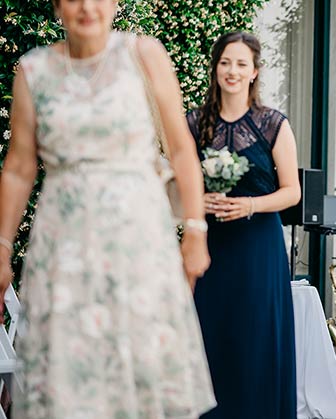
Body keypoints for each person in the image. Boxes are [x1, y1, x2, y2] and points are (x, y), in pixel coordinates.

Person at [0, 0, 216, 417]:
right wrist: (2, 245)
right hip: (64, 245)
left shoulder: (144, 55)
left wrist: (195, 231)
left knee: (139, 366)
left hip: (137, 241)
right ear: (58, 6)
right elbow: (19, 168)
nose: (86, 7)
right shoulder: (33, 70)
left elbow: (182, 149)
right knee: (70, 371)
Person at [186, 31, 300, 419]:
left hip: (258, 249)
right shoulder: (193, 124)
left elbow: (292, 192)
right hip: (209, 248)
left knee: (256, 340)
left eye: (241, 64)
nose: (232, 71)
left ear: (254, 72)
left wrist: (251, 204)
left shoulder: (273, 124)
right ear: (215, 68)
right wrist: (195, 201)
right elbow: (173, 185)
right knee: (209, 338)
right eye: (225, 63)